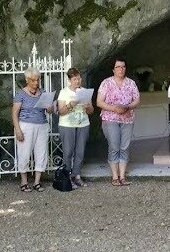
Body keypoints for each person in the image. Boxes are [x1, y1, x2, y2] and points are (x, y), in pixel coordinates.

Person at [96, 56, 140, 186]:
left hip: (127, 119)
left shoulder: (131, 83)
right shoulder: (106, 83)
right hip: (110, 119)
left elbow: (137, 99)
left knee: (124, 146)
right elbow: (99, 102)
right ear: (113, 70)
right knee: (114, 146)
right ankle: (115, 176)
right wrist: (114, 108)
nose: (121, 69)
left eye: (123, 67)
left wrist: (128, 107)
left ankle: (122, 176)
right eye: (118, 67)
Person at [12, 67, 53, 192]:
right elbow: (14, 114)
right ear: (27, 80)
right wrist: (17, 130)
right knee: (24, 153)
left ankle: (37, 182)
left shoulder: (43, 92)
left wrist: (50, 107)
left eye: (38, 80)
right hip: (25, 125)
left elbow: (49, 111)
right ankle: (24, 181)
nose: (36, 83)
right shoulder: (20, 94)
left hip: (42, 125)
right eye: (33, 80)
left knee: (41, 153)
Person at [57, 67, 94, 189]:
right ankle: (66, 177)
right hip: (67, 125)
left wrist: (88, 107)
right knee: (68, 152)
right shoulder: (64, 92)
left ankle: (76, 176)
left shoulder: (85, 91)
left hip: (83, 124)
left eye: (79, 78)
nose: (77, 81)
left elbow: (91, 111)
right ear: (70, 80)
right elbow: (61, 111)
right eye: (74, 79)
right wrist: (70, 105)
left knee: (80, 151)